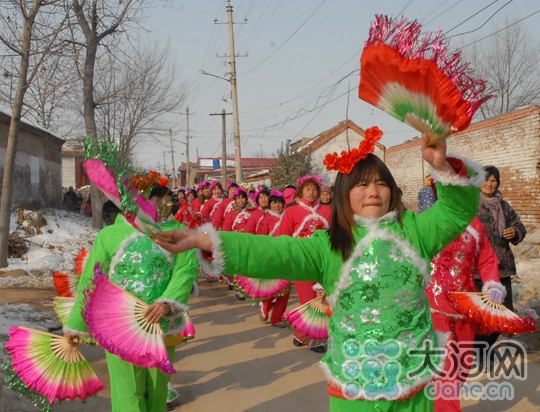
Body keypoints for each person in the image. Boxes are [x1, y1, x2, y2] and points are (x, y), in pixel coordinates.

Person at [155, 128, 483, 411]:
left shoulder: (416, 231)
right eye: (362, 185)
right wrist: (204, 240)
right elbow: (271, 251)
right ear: (343, 194)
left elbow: (456, 211)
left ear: (392, 191)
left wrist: (440, 165)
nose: (373, 192)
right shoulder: (326, 246)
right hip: (353, 381)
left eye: (381, 184)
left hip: (414, 375)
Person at [64, 173, 199, 412]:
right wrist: (75, 325)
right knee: (127, 392)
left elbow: (186, 272)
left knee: (157, 391)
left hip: (162, 324)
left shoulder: (178, 232)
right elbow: (90, 282)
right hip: (118, 325)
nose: (151, 204)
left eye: (155, 198)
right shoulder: (109, 235)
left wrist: (167, 304)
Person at [419, 184, 504, 412]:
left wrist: (491, 283)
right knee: (445, 370)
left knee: (463, 366)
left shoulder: (475, 224)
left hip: (465, 307)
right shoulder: (427, 221)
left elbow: (486, 258)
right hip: (433, 307)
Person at [474, 165, 527, 358]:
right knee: (481, 315)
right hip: (477, 271)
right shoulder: (471, 205)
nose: (489, 184)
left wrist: (515, 232)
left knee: (502, 314)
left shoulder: (504, 206)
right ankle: (480, 351)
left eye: (493, 180)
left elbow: (519, 225)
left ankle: (482, 348)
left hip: (502, 269)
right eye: (486, 179)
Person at [275, 175, 331, 352]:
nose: (312, 192)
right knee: (307, 300)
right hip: (301, 262)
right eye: (307, 189)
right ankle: (315, 340)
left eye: (314, 189)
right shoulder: (291, 212)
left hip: (322, 262)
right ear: (300, 192)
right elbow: (283, 236)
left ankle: (300, 335)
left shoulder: (328, 211)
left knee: (322, 299)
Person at [256, 190, 290, 328]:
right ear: (270, 205)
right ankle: (265, 305)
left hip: (287, 257)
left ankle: (277, 318)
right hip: (272, 258)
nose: (277, 205)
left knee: (285, 289)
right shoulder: (265, 220)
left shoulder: (288, 217)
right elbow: (260, 241)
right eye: (274, 203)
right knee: (273, 287)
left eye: (280, 203)